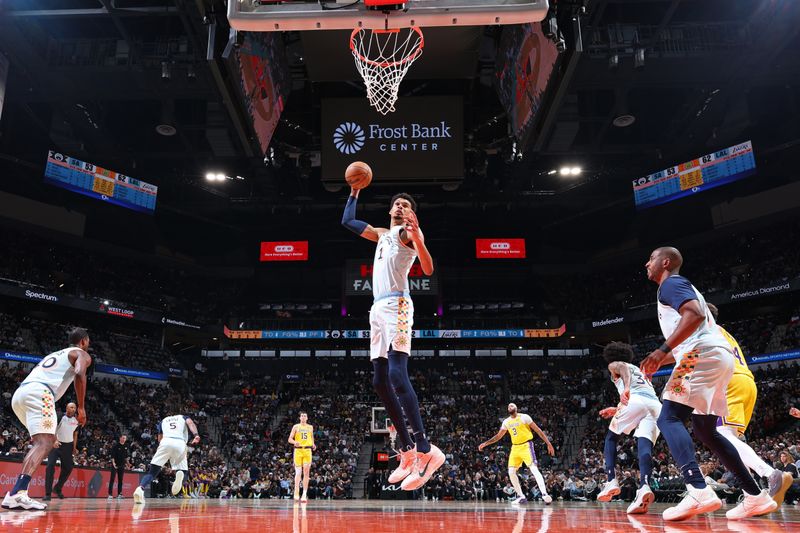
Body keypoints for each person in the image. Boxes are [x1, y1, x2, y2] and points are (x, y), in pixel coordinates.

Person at [639, 247, 777, 521]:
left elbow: (694, 315)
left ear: (665, 263)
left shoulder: (671, 284)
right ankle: (755, 496)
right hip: (718, 358)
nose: (646, 263)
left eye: (651, 259)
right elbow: (694, 326)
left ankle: (697, 488)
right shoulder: (681, 288)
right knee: (707, 430)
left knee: (668, 418)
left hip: (700, 355)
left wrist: (661, 350)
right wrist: (660, 358)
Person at [341, 187, 444, 490]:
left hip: (398, 305)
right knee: (379, 381)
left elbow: (427, 267)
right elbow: (348, 221)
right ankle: (409, 451)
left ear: (411, 213)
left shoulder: (407, 234)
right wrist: (354, 191)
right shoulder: (383, 233)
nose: (400, 206)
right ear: (390, 210)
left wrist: (418, 236)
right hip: (377, 308)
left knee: (398, 375)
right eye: (397, 204)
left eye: (405, 205)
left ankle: (426, 449)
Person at [705, 303, 794, 507]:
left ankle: (771, 474)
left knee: (721, 434)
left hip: (731, 382)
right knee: (731, 444)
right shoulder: (724, 331)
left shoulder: (705, 330)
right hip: (747, 381)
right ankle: (752, 494)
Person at [2, 328, 92, 511]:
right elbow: (80, 373)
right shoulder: (81, 353)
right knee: (46, 442)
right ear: (83, 341)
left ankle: (17, 493)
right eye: (88, 341)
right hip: (41, 393)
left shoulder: (57, 354)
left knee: (42, 442)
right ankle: (18, 493)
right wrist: (81, 407)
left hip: (20, 394)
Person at [596, 342, 662, 514]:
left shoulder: (616, 365)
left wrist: (625, 388)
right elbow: (642, 396)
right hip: (655, 406)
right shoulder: (640, 371)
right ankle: (644, 486)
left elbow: (623, 370)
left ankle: (611, 480)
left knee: (611, 438)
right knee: (644, 445)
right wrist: (616, 408)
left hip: (635, 401)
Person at [478, 403, 555, 505]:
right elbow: (498, 436)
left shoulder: (524, 417)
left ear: (516, 408)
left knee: (533, 469)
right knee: (511, 472)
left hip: (526, 445)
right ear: (508, 410)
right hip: (515, 448)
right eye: (508, 406)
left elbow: (538, 430)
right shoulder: (506, 422)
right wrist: (486, 443)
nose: (510, 406)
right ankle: (521, 496)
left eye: (512, 405)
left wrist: (548, 443)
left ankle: (544, 494)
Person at [132, 414, 201, 504]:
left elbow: (160, 438)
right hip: (180, 442)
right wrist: (196, 435)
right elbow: (191, 423)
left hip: (165, 442)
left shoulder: (163, 421)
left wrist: (164, 450)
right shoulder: (183, 417)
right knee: (183, 472)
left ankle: (140, 488)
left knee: (152, 473)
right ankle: (179, 474)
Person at [43, 402, 79, 501]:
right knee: (50, 466)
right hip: (56, 444)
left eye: (75, 408)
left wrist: (74, 447)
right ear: (67, 408)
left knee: (68, 467)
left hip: (68, 446)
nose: (73, 409)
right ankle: (47, 493)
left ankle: (58, 488)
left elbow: (75, 434)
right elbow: (53, 428)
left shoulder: (76, 421)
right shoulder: (60, 416)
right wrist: (54, 440)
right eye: (71, 407)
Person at [288, 412, 316, 502]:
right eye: (302, 416)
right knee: (298, 472)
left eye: (305, 416)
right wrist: (294, 442)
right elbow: (290, 439)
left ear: (307, 418)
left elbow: (311, 437)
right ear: (300, 418)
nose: (303, 417)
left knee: (306, 472)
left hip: (307, 450)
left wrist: (313, 444)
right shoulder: (296, 426)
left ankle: (304, 493)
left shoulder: (310, 427)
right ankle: (296, 492)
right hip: (298, 450)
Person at [108, 435, 129, 499]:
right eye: (123, 438)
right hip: (115, 465)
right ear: (120, 438)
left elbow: (126, 457)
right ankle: (110, 494)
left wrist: (128, 464)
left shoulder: (126, 446)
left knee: (120, 480)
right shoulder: (116, 446)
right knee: (112, 479)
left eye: (125, 438)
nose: (124, 439)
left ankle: (119, 494)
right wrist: (113, 463)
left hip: (122, 465)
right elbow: (112, 456)